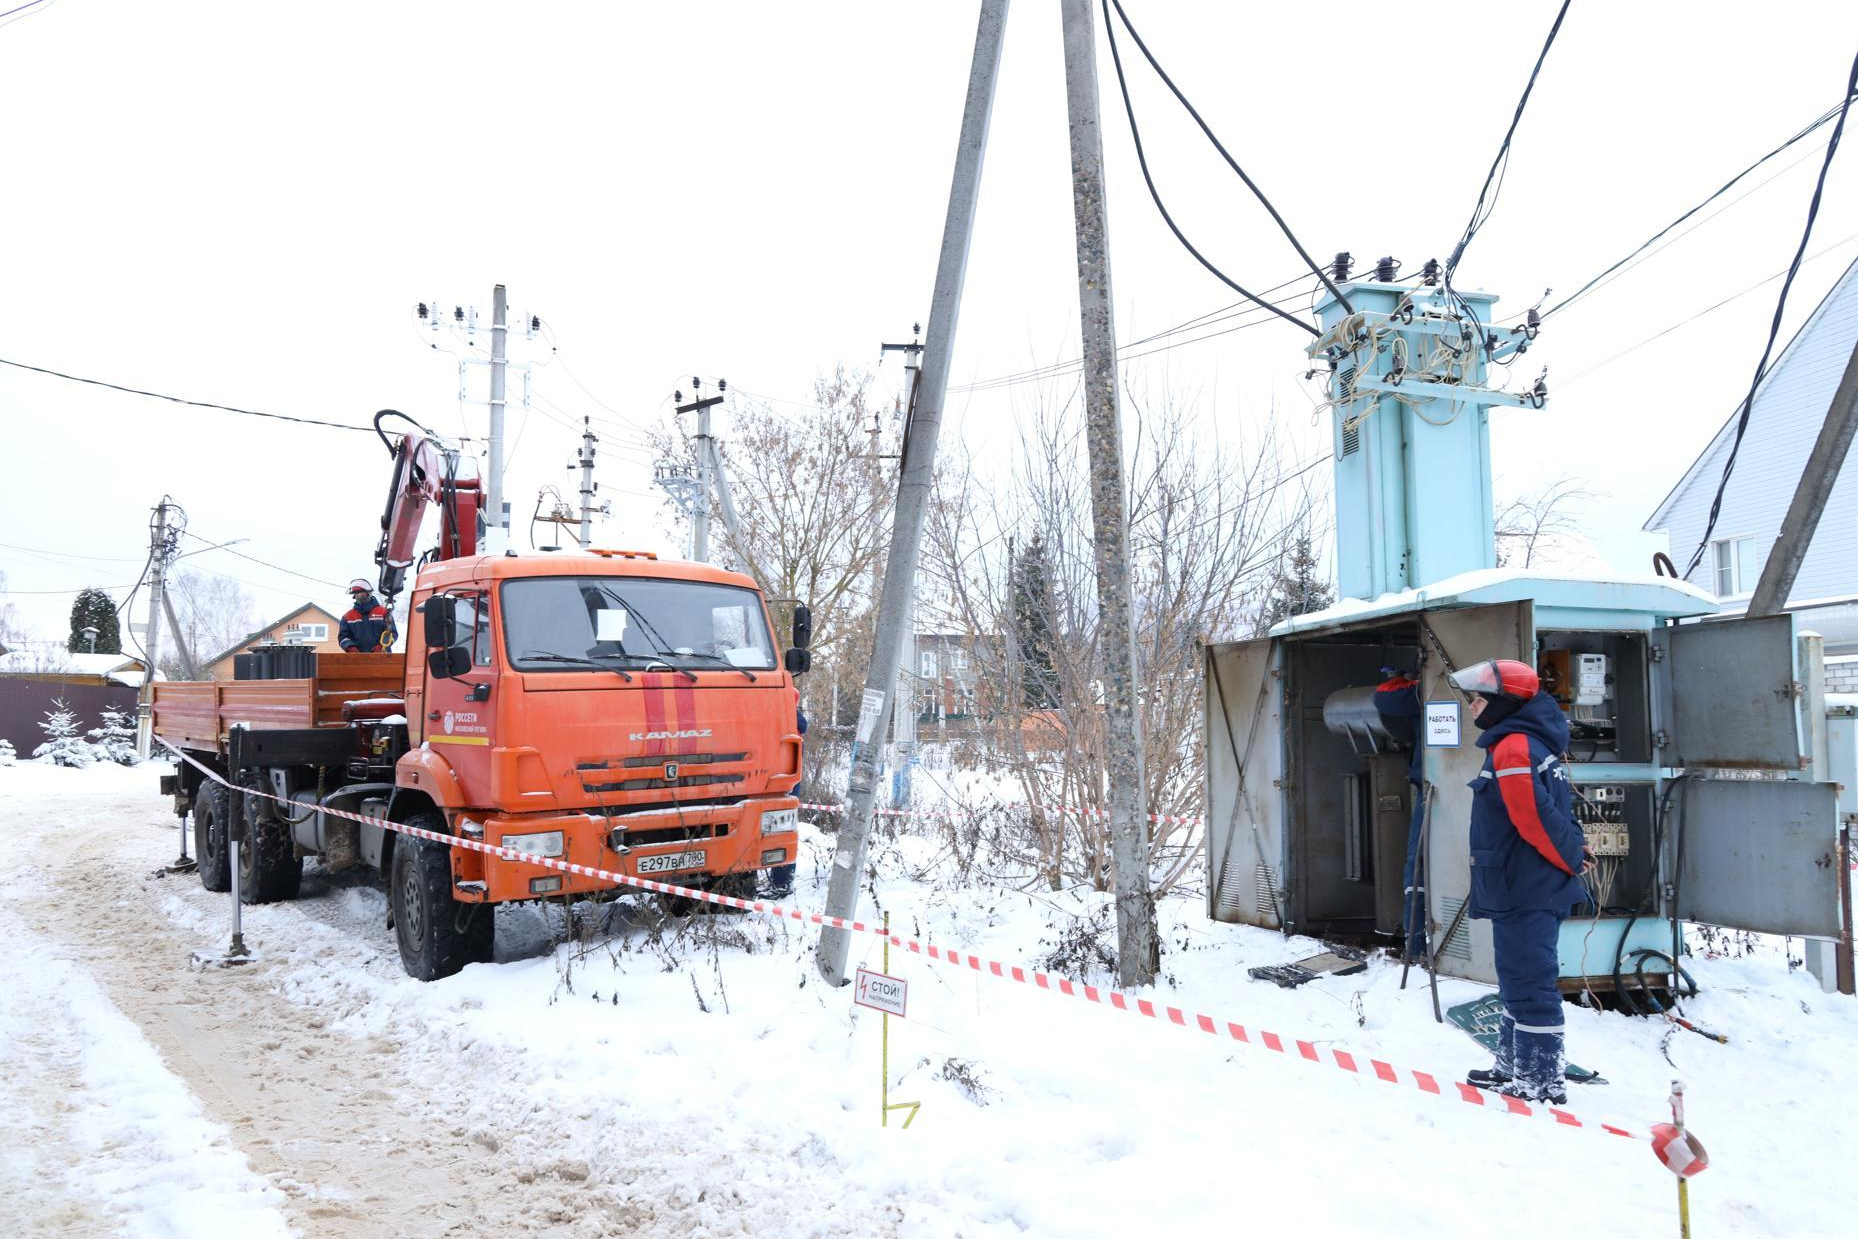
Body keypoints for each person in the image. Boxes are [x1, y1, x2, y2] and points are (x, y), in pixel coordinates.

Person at [1448, 657, 1593, 1106]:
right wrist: (1575, 851)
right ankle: (1512, 1067)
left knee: (1530, 982)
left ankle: (1539, 1080)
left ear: (1501, 702)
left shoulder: (1513, 747)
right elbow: (1552, 810)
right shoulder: (1522, 744)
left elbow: (1534, 818)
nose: (1471, 706)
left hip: (1526, 887)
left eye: (1476, 698)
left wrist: (1570, 856)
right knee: (1516, 976)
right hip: (1523, 883)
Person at [1370, 669, 1426, 956]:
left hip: (1432, 789)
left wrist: (1405, 678)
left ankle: (1415, 947)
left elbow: (1384, 698)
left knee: (1417, 865)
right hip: (1453, 787)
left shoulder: (1428, 685)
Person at [763, 703, 807, 899]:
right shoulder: (790, 723)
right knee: (775, 832)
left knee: (781, 832)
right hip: (781, 785)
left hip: (785, 786)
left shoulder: (790, 724)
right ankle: (778, 881)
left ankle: (781, 883)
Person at [339, 579, 398, 654]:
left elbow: (392, 633)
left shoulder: (383, 613)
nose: (360, 597)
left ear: (369, 594)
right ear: (354, 596)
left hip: (382, 658)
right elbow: (343, 637)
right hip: (357, 660)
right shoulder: (347, 617)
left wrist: (382, 646)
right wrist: (350, 648)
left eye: (362, 595)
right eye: (357, 595)